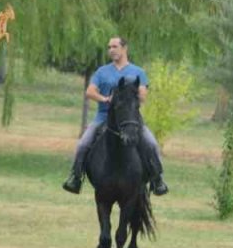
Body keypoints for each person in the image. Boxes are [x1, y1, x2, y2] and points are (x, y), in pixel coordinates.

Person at [62, 36, 169, 196]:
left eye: (114, 46)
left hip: (130, 120)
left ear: (124, 49)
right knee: (83, 144)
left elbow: (143, 96)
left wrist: (125, 96)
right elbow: (90, 92)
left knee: (152, 144)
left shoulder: (138, 72)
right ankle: (75, 178)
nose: (111, 50)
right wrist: (105, 99)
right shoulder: (102, 71)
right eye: (109, 47)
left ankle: (157, 180)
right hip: (103, 117)